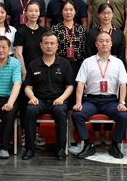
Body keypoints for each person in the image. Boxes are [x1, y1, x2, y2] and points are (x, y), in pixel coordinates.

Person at [72, 31, 127, 159]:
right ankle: (88, 145)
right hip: (91, 100)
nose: (104, 44)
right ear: (96, 44)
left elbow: (123, 84)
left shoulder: (118, 63)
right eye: (101, 41)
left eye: (107, 41)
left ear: (111, 44)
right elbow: (80, 83)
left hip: (111, 101)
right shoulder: (87, 62)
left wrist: (122, 102)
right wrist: (78, 102)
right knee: (77, 114)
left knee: (123, 116)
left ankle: (114, 145)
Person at [22, 32, 75, 160]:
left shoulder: (65, 64)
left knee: (60, 112)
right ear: (41, 45)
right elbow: (28, 87)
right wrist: (32, 97)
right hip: (39, 100)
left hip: (58, 100)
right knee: (30, 110)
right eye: (46, 43)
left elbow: (70, 86)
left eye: (52, 43)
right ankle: (29, 148)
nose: (49, 46)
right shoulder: (34, 64)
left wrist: (61, 99)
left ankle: (60, 148)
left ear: (57, 45)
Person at [51, 0, 87, 76]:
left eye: (71, 10)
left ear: (75, 12)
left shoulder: (81, 29)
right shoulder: (55, 29)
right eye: (66, 10)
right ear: (61, 12)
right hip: (60, 63)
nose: (68, 12)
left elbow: (83, 48)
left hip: (77, 64)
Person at [12, 2, 45, 79]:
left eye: (36, 11)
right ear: (26, 13)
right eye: (30, 11)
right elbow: (18, 54)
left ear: (39, 13)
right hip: (26, 67)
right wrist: (24, 72)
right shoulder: (21, 32)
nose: (33, 14)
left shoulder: (43, 32)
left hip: (41, 67)